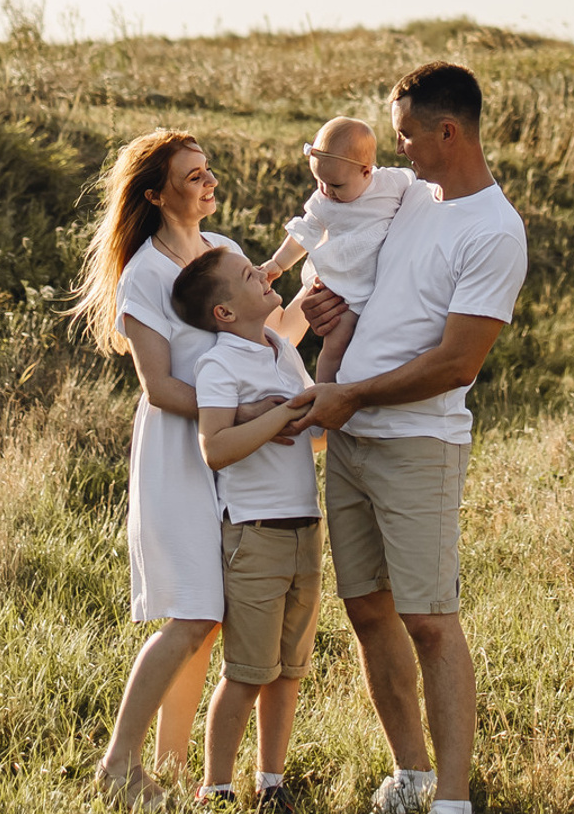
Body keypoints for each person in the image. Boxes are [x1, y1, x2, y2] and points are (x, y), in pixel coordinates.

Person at [292, 62, 528, 814]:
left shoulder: (494, 231)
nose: (398, 148)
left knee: (428, 617)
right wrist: (333, 315)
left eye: (406, 134)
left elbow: (455, 363)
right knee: (367, 612)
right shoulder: (408, 196)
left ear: (447, 132)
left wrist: (348, 394)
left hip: (416, 443)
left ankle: (452, 801)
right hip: (352, 436)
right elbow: (353, 250)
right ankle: (413, 775)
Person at [69, 130, 311, 808]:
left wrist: (303, 311)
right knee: (190, 612)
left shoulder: (226, 253)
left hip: (237, 458)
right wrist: (241, 417)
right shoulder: (144, 274)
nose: (208, 182)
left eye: (208, 170)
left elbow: (259, 347)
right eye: (192, 175)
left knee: (215, 618)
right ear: (155, 193)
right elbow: (158, 386)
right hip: (180, 452)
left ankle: (175, 766)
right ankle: (119, 765)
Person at [173, 247, 326, 809]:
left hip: (305, 528)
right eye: (246, 276)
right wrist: (277, 415)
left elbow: (312, 434)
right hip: (255, 533)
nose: (262, 274)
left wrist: (314, 407)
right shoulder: (220, 364)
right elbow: (214, 448)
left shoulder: (283, 349)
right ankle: (215, 787)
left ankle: (272, 784)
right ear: (224, 314)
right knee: (247, 672)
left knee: (288, 671)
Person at [262, 116, 416, 383]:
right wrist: (278, 263)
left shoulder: (393, 184)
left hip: (385, 283)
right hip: (344, 286)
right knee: (335, 346)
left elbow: (421, 188)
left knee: (379, 346)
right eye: (319, 181)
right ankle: (325, 393)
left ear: (366, 171)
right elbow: (306, 231)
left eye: (336, 185)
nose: (326, 190)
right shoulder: (325, 200)